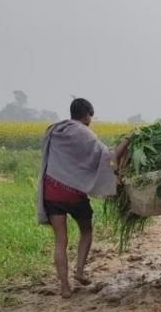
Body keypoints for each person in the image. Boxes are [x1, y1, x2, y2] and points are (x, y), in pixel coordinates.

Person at [37, 98, 130, 298]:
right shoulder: (85, 134)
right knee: (86, 230)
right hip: (73, 193)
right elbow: (109, 159)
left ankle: (64, 287)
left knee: (60, 241)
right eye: (91, 116)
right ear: (87, 115)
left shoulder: (54, 130)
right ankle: (79, 270)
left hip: (52, 190)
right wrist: (127, 141)